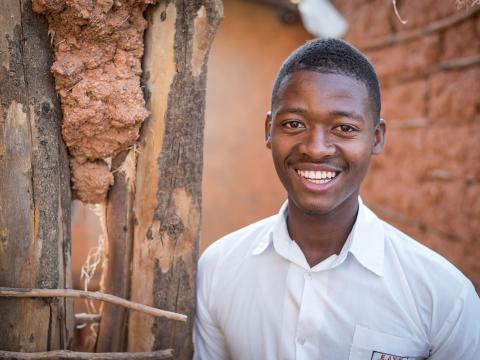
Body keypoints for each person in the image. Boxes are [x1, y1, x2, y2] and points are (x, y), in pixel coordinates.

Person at [193, 38, 480, 360]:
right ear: (269, 130)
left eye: (344, 128)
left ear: (376, 137)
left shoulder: (443, 296)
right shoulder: (218, 269)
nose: (316, 148)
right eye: (294, 124)